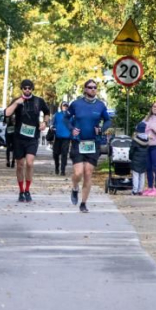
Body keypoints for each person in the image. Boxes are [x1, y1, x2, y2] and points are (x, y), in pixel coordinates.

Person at [67, 79, 111, 213]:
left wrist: (102, 129)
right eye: (90, 87)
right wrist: (71, 129)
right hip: (78, 142)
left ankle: (83, 203)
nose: (93, 89)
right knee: (78, 172)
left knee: (88, 172)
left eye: (95, 87)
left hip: (93, 143)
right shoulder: (76, 104)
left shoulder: (100, 105)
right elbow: (65, 118)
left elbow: (108, 120)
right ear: (85, 89)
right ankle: (75, 187)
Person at [5, 79, 50, 202]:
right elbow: (7, 113)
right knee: (20, 165)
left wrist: (44, 122)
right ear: (22, 89)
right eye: (25, 88)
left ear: (32, 89)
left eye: (29, 88)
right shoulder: (17, 100)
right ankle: (21, 191)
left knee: (29, 163)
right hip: (19, 137)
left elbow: (47, 112)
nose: (27, 90)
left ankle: (27, 190)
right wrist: (16, 103)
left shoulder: (38, 101)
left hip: (32, 137)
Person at [52, 102, 72, 176]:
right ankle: (57, 166)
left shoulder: (70, 116)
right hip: (58, 137)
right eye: (64, 106)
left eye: (66, 106)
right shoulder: (57, 115)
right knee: (55, 154)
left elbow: (73, 125)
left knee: (64, 154)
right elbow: (52, 124)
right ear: (61, 106)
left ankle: (63, 170)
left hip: (66, 138)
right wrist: (52, 127)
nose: (65, 107)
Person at [129, 122, 149, 195]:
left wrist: (130, 157)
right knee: (142, 175)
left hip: (136, 159)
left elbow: (131, 150)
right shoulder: (147, 139)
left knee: (136, 175)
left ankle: (135, 190)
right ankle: (140, 190)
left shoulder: (135, 140)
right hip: (144, 159)